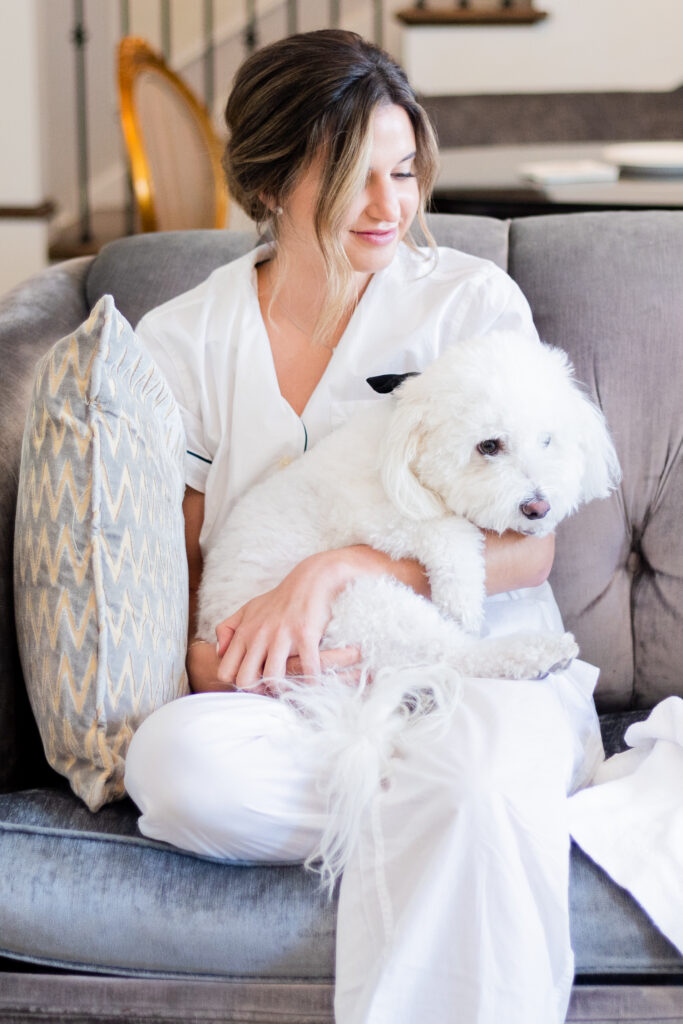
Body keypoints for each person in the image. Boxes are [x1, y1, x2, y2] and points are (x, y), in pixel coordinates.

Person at [124, 29, 603, 1024]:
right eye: (354, 179)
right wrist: (213, 663)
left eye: (404, 172)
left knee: (473, 773)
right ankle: (463, 808)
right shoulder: (184, 341)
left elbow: (532, 543)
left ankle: (473, 800)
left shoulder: (469, 303)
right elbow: (179, 565)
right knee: (173, 770)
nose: (390, 208)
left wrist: (337, 567)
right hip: (308, 697)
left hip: (478, 660)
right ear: (269, 183)